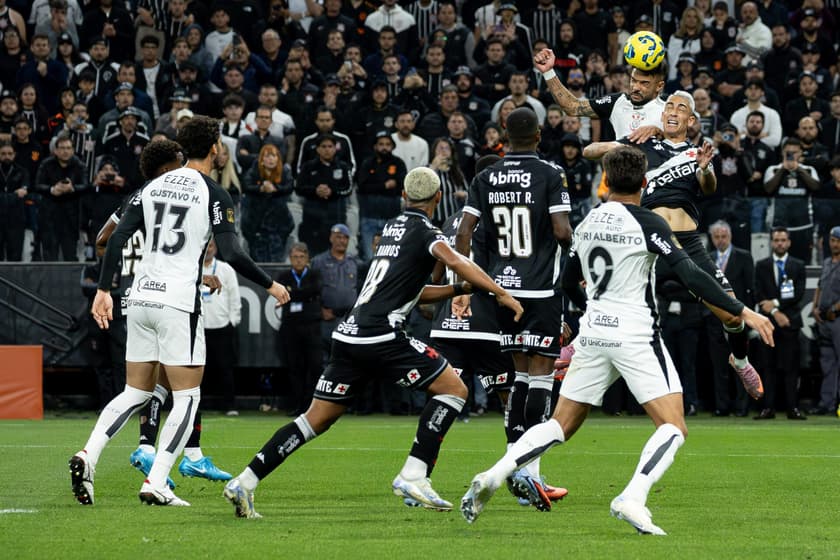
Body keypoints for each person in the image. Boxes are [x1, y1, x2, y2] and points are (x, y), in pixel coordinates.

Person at [460, 145, 775, 531]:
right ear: (644, 183)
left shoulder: (588, 221)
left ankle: (494, 474)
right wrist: (742, 310)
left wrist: (588, 311)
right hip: (635, 334)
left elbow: (567, 281)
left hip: (594, 332)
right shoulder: (649, 222)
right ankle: (632, 497)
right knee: (673, 427)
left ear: (606, 181)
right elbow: (691, 273)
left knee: (560, 425)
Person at [222, 166, 524, 518]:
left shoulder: (392, 228)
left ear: (404, 196)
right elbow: (456, 259)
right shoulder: (426, 231)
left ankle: (244, 481)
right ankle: (414, 475)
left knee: (313, 420)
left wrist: (457, 288)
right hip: (381, 335)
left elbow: (411, 291)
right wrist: (500, 292)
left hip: (349, 335)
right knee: (454, 390)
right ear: (439, 197)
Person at [70, 117, 290, 507]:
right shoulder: (214, 193)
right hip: (178, 304)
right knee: (187, 397)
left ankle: (88, 455)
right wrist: (270, 284)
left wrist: (103, 290)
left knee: (135, 391)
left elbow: (114, 238)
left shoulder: (151, 186)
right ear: (215, 147)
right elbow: (232, 252)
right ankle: (156, 481)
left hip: (140, 298)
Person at [582, 91, 766, 404]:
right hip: (649, 244)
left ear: (691, 120)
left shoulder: (697, 153)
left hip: (688, 243)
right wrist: (622, 145)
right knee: (608, 301)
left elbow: (709, 188)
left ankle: (740, 361)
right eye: (669, 106)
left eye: (681, 108)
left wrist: (705, 170)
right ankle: (578, 350)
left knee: (733, 316)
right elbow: (589, 151)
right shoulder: (642, 144)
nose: (672, 110)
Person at [455, 108, 573, 511]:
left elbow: (464, 233)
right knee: (541, 376)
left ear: (504, 137)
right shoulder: (551, 173)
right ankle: (531, 471)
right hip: (540, 288)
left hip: (501, 290)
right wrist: (573, 251)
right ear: (539, 135)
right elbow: (561, 231)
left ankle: (514, 462)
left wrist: (469, 282)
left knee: (518, 375)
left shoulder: (485, 177)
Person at [754, 226, 807, 420]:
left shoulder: (798, 265)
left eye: (783, 240)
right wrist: (776, 313)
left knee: (791, 368)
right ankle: (768, 408)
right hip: (768, 323)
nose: (780, 243)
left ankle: (792, 408)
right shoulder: (761, 265)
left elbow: (798, 293)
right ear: (771, 242)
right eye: (776, 240)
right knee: (768, 367)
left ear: (789, 242)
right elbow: (758, 292)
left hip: (790, 323)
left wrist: (775, 304)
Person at [706, 220, 756, 417]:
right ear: (712, 238)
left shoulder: (744, 257)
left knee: (741, 363)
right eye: (717, 237)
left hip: (738, 318)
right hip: (714, 319)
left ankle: (742, 407)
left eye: (724, 236)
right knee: (719, 366)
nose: (721, 240)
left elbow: (751, 288)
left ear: (730, 236)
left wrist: (749, 317)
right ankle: (722, 406)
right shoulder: (707, 258)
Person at [276, 242, 323, 416]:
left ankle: (313, 406)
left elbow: (315, 290)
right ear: (290, 258)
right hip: (290, 327)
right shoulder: (283, 276)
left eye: (302, 257)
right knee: (295, 367)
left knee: (314, 366)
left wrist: (293, 292)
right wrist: (305, 294)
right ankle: (297, 405)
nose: (298, 260)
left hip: (311, 326)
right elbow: (286, 293)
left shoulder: (315, 274)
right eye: (295, 257)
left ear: (307, 258)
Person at [201, 238, 242, 416]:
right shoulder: (193, 269)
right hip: (199, 327)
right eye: (205, 246)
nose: (208, 249)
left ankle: (230, 405)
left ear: (216, 248)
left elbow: (235, 296)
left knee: (226, 368)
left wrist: (233, 321)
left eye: (210, 246)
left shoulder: (225, 269)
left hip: (222, 326)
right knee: (198, 369)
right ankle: (196, 405)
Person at [811, 226, 840, 416]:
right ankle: (826, 402)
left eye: (838, 241)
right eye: (832, 240)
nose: (835, 244)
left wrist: (835, 309)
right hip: (824, 320)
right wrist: (815, 307)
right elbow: (819, 286)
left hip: (838, 318)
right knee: (827, 363)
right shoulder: (827, 262)